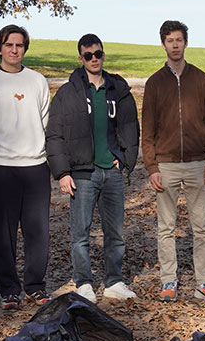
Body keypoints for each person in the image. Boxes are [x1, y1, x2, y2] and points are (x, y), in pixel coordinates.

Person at [45, 33, 140, 303]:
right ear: (80, 58)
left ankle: (114, 282)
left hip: (111, 171)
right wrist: (62, 172)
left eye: (98, 54)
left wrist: (124, 157)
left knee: (116, 232)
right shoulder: (67, 93)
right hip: (82, 173)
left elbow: (129, 125)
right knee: (80, 233)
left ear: (103, 54)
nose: (94, 59)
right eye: (88, 55)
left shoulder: (116, 89)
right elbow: (55, 134)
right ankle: (84, 282)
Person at [0, 23, 51, 308]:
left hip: (35, 166)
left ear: (24, 48)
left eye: (19, 45)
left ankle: (35, 285)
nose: (14, 50)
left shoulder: (37, 81)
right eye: (9, 45)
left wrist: (35, 150)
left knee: (37, 229)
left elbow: (44, 121)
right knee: (3, 232)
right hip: (1, 167)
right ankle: (8, 289)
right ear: (0, 48)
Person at [142, 19, 205, 302]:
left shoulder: (200, 79)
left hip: (198, 164)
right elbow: (147, 129)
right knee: (166, 227)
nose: (175, 45)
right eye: (170, 40)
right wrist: (152, 166)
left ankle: (204, 282)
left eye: (179, 40)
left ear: (185, 43)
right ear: (163, 44)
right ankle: (168, 281)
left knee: (201, 226)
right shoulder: (154, 83)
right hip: (166, 165)